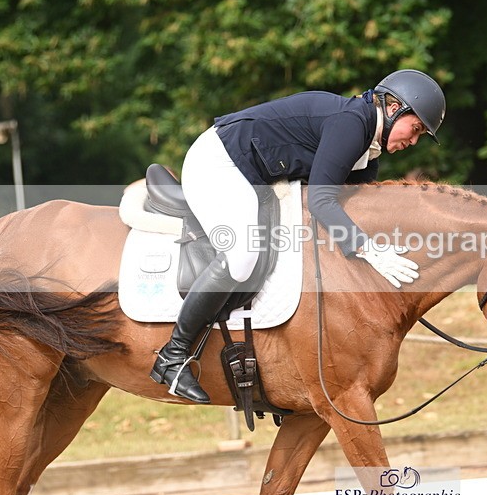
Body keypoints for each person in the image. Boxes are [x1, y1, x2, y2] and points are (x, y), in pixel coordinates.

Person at [149, 69, 446, 403]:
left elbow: (355, 207)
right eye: (416, 129)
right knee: (244, 253)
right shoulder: (351, 124)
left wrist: (386, 245)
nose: (414, 141)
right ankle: (172, 356)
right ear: (393, 108)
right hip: (219, 163)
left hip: (251, 173)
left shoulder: (367, 149)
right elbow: (321, 200)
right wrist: (367, 248)